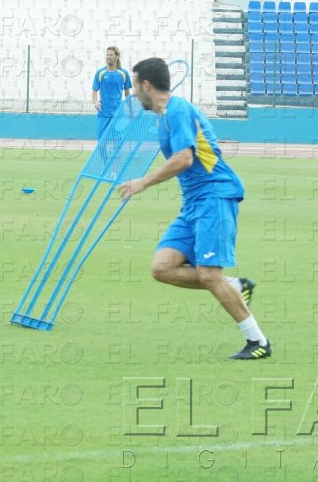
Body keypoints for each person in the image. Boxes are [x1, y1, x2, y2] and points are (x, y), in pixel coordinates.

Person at [118, 57, 269, 360]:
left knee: (210, 275)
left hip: (214, 196)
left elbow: (185, 158)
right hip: (194, 203)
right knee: (161, 269)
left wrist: (143, 182)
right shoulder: (164, 117)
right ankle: (237, 286)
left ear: (146, 85)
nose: (133, 93)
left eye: (135, 86)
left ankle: (259, 343)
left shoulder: (178, 111)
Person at [92, 46, 132, 140]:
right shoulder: (100, 72)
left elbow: (127, 94)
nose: (108, 57)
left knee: (117, 141)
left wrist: (129, 109)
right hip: (103, 112)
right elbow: (94, 92)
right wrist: (95, 102)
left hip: (118, 113)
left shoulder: (123, 73)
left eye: (111, 55)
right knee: (101, 140)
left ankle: (116, 155)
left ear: (117, 57)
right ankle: (103, 155)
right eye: (107, 55)